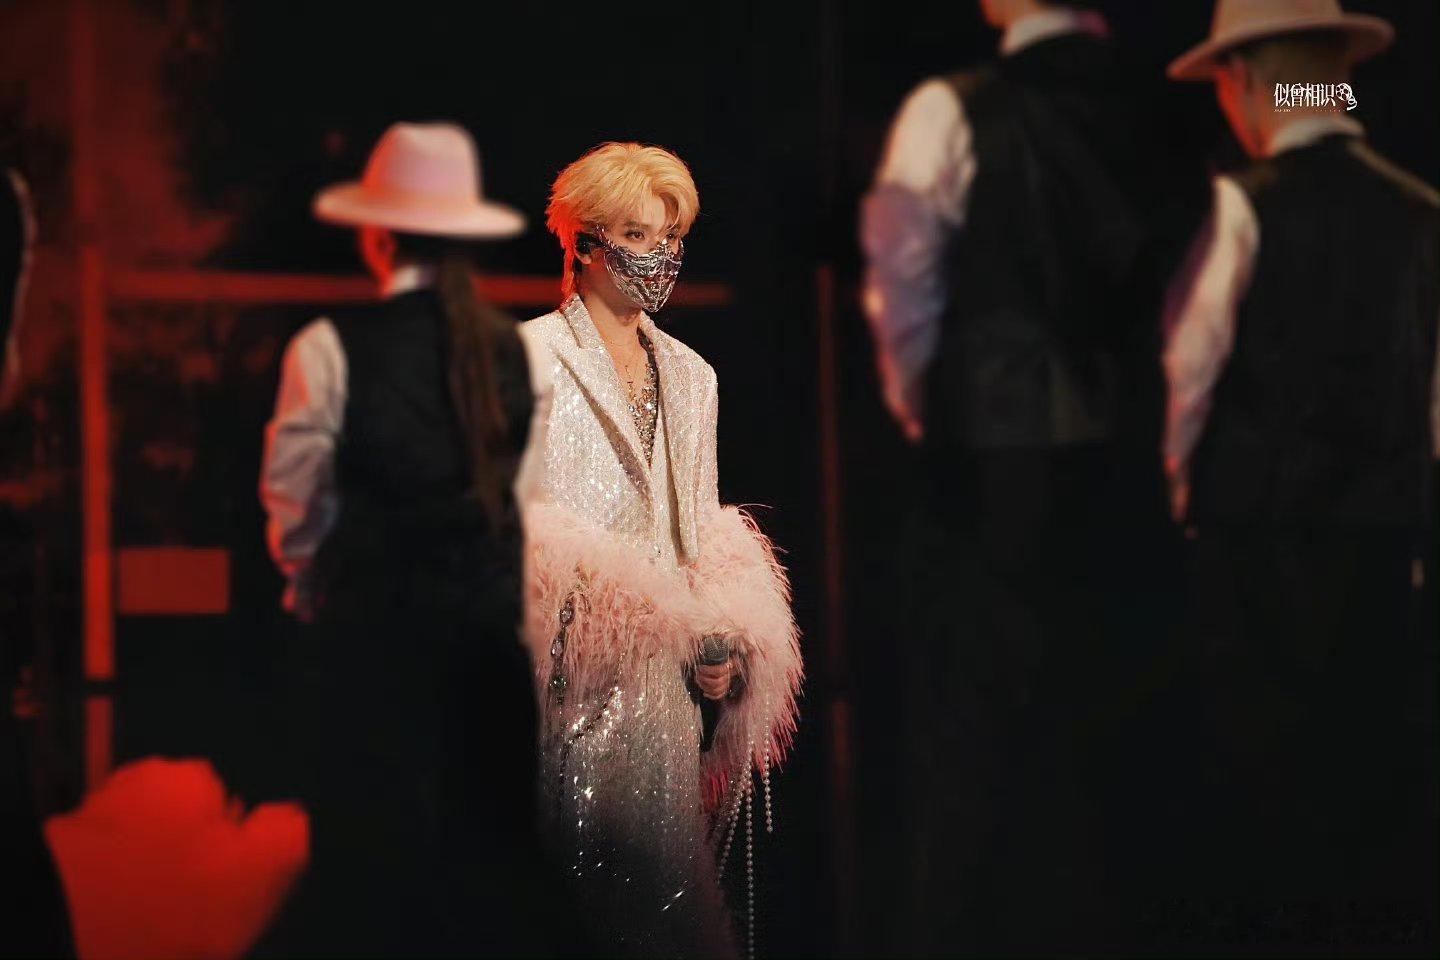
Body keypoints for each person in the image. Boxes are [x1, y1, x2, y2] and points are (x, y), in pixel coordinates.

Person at [860, 0, 1163, 952]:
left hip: (990, 468)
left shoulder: (953, 110)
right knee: (1121, 752)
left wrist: (925, 408)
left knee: (976, 754)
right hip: (1142, 473)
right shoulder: (1172, 104)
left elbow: (903, 284)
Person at [1164, 0, 1439, 947]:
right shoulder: (1424, 212)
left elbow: (1188, 376)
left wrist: (1180, 495)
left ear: (1241, 83)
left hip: (1258, 543)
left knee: (1267, 792)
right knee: (1371, 781)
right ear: (1338, 76)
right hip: (1387, 545)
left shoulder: (1243, 204)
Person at [259, 122, 541, 957]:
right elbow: (523, 508)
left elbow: (298, 509)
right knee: (484, 902)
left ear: (377, 237)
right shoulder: (516, 353)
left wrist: (313, 588)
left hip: (374, 659)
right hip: (488, 667)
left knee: (371, 896)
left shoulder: (327, 350)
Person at [516, 142, 802, 958]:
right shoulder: (528, 358)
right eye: (638, 235)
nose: (661, 256)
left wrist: (722, 642)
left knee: (663, 915)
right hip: (561, 691)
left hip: (664, 706)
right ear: (584, 243)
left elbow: (697, 530)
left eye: (672, 236)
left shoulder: (691, 376)